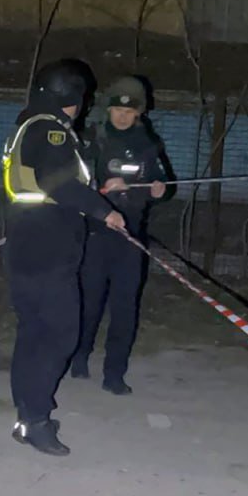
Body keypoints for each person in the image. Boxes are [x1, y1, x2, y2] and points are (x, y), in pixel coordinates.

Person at [2, 58, 127, 456]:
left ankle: (28, 417)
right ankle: (36, 420)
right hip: (47, 248)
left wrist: (96, 194)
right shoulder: (50, 129)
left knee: (34, 332)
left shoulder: (29, 124)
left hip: (27, 242)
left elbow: (52, 182)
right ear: (71, 97)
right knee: (58, 334)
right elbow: (56, 183)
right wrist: (104, 211)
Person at [70, 75, 171, 394]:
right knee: (89, 302)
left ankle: (114, 373)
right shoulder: (90, 140)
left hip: (131, 237)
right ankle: (80, 355)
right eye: (118, 110)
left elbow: (162, 183)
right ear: (108, 110)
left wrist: (157, 191)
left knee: (125, 307)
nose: (123, 116)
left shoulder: (148, 144)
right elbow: (74, 186)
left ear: (139, 113)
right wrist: (103, 189)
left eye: (130, 111)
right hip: (95, 234)